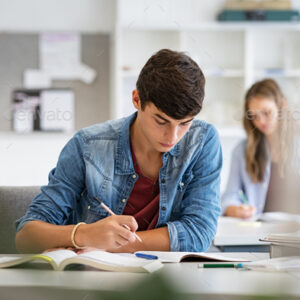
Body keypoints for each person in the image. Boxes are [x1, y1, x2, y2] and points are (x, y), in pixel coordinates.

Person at [15, 49, 222, 253]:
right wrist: (85, 234)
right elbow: (26, 236)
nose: (173, 137)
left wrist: (109, 245)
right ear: (136, 99)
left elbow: (199, 233)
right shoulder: (87, 145)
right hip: (96, 279)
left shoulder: (202, 141)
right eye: (161, 121)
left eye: (184, 123)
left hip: (166, 281)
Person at [222, 78, 298, 219]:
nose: (261, 121)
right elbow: (229, 197)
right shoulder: (242, 150)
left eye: (266, 113)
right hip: (261, 231)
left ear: (282, 105)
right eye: (255, 116)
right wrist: (236, 209)